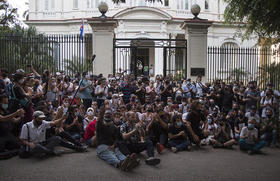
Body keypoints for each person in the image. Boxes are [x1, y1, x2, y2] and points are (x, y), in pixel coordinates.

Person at [20, 111, 86, 158]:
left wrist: (62, 118)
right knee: (37, 147)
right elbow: (22, 140)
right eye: (39, 118)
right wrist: (29, 144)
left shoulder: (43, 123)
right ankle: (50, 152)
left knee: (57, 138)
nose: (41, 120)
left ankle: (46, 152)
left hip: (44, 143)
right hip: (34, 146)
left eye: (42, 118)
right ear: (34, 118)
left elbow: (53, 123)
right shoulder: (26, 126)